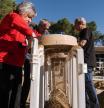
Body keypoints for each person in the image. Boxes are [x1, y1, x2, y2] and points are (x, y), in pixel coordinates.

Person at [0, 2, 38, 108]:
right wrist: (33, 35)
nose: (30, 20)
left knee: (16, 92)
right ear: (23, 11)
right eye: (29, 17)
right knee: (5, 94)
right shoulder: (12, 16)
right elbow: (24, 28)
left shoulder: (22, 28)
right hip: (4, 63)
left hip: (16, 64)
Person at [20, 19, 51, 108]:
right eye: (44, 28)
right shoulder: (32, 29)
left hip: (41, 59)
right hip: (29, 58)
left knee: (41, 81)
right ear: (40, 25)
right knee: (27, 81)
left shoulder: (46, 33)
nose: (45, 30)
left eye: (47, 28)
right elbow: (29, 41)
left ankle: (37, 102)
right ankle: (22, 102)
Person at [74, 17, 100, 108]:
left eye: (75, 24)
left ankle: (95, 106)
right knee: (84, 84)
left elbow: (82, 43)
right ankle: (86, 105)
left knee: (88, 83)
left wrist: (71, 47)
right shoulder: (82, 32)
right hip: (84, 62)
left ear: (80, 23)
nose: (74, 26)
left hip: (86, 62)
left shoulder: (86, 30)